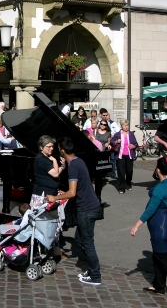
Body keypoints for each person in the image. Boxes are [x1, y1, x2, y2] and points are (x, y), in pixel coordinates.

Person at [130, 156, 167, 302]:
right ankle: (159, 285)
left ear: (158, 170)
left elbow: (150, 210)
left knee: (164, 258)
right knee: (159, 255)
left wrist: (136, 226)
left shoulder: (160, 189)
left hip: (162, 227)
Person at [54, 137, 102, 286]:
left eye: (58, 148)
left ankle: (95, 275)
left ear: (62, 151)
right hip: (91, 206)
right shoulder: (78, 161)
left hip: (86, 209)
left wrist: (55, 197)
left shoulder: (73, 166)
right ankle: (91, 269)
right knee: (80, 240)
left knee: (87, 243)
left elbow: (72, 192)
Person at [111, 120, 138, 194]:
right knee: (121, 172)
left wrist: (133, 146)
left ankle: (128, 184)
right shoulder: (117, 134)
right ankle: (121, 188)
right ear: (121, 126)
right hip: (120, 156)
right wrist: (116, 141)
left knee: (129, 171)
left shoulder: (131, 134)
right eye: (125, 125)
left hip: (129, 155)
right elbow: (112, 142)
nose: (126, 127)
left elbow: (136, 144)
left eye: (127, 125)